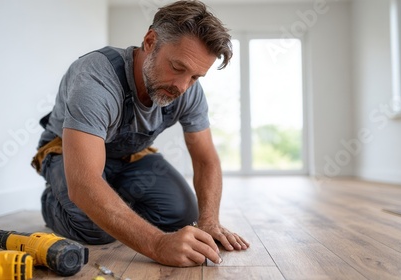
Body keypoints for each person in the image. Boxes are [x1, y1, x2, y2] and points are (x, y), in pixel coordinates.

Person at [32, 0, 249, 267]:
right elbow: (85, 181)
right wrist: (157, 244)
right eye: (178, 68)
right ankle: (54, 201)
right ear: (150, 41)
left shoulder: (188, 90)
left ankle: (113, 201)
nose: (182, 86)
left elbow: (205, 159)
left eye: (195, 77)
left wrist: (209, 221)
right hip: (69, 155)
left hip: (128, 157)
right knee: (94, 228)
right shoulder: (96, 79)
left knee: (183, 214)